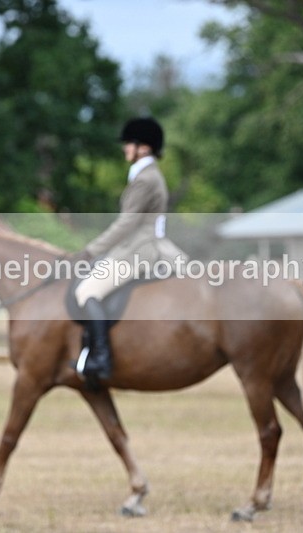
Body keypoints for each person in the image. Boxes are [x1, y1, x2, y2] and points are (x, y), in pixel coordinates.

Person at [73, 117, 188, 382]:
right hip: (147, 244)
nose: (125, 148)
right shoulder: (148, 175)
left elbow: (126, 224)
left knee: (86, 291)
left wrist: (91, 250)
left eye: (129, 143)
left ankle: (101, 358)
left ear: (144, 147)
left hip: (137, 249)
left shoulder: (144, 179)